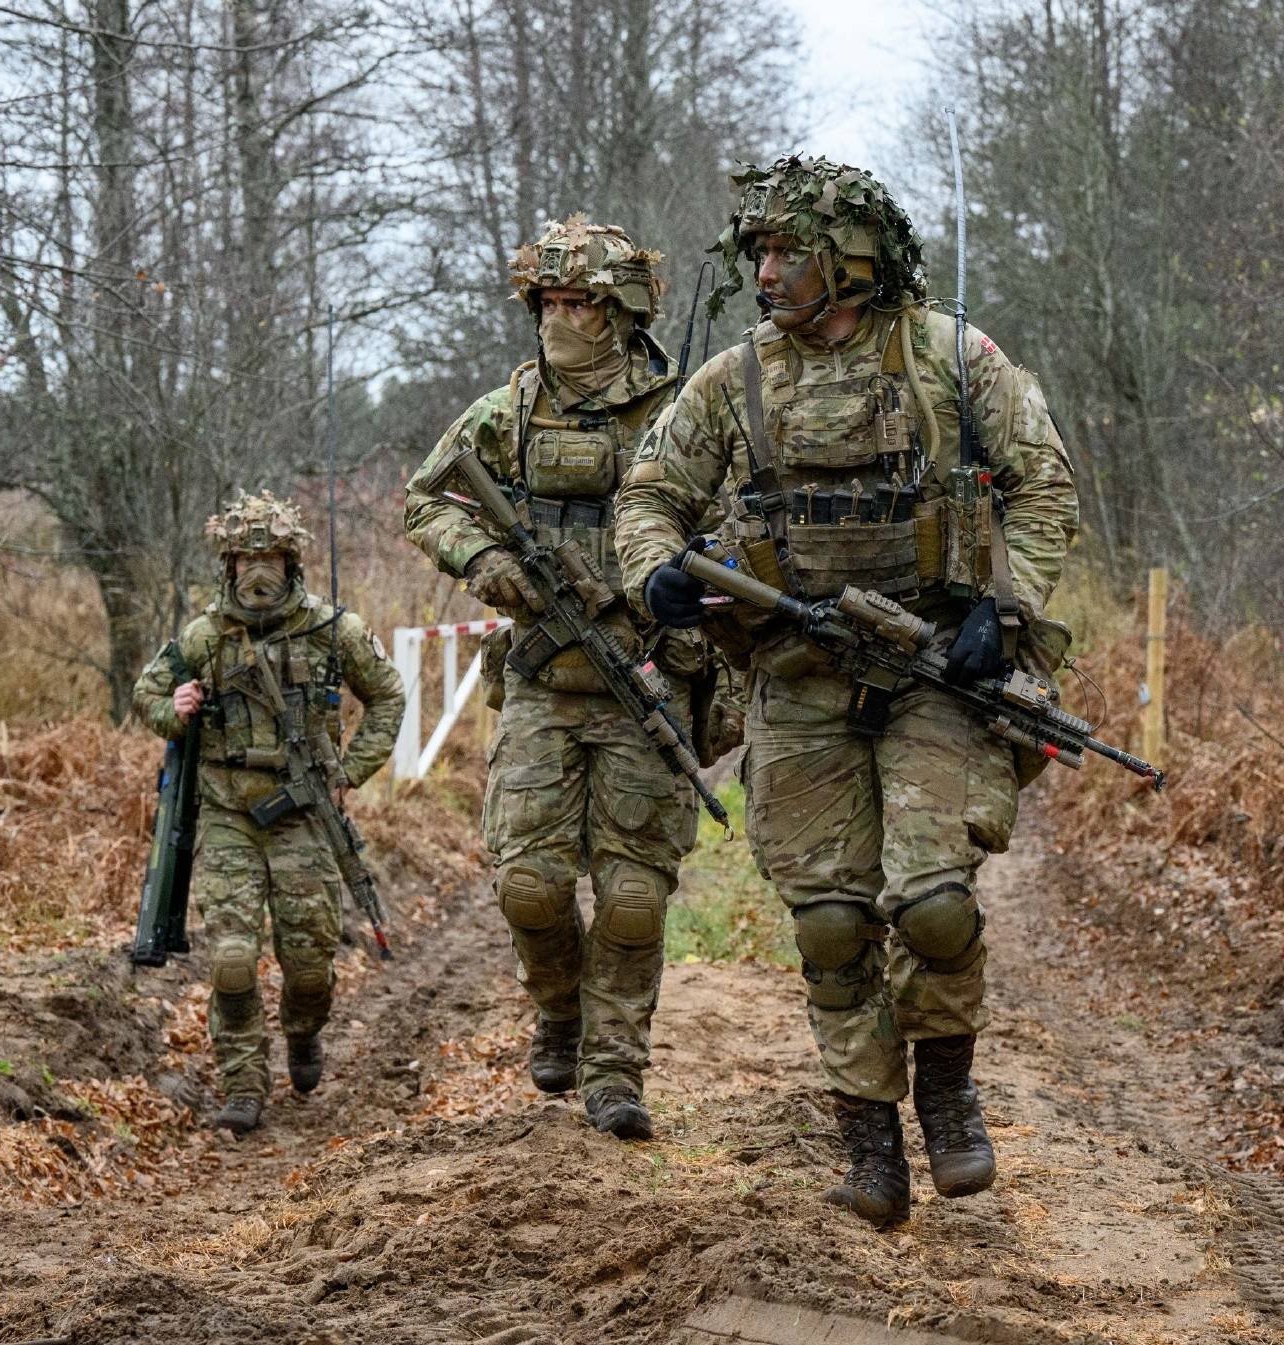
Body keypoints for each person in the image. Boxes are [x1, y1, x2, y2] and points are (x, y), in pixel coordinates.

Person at [614, 156, 1079, 1227]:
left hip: (931, 676)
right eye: (759, 255)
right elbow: (649, 495)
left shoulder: (949, 358)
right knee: (829, 924)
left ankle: (947, 1092)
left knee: (933, 902)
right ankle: (867, 1141)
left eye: (788, 254)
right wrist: (658, 571)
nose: (765, 273)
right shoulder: (731, 382)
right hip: (797, 677)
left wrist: (996, 606)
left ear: (851, 263)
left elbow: (1041, 482)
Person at [405, 216, 716, 1141]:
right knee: (530, 886)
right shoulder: (510, 409)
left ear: (621, 310)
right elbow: (427, 499)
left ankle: (615, 1070)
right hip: (544, 677)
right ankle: (560, 1008)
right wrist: (484, 563)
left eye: (580, 302)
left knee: (630, 894)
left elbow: (738, 520)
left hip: (647, 677)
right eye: (548, 301)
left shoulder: (680, 408)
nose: (561, 318)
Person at [131, 491, 404, 1134]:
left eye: (271, 557)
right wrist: (179, 708)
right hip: (228, 814)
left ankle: (304, 1031)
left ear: (292, 562)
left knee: (309, 964)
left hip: (305, 815)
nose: (259, 570)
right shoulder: (202, 637)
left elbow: (388, 696)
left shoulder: (335, 630)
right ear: (228, 565)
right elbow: (148, 694)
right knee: (230, 958)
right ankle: (243, 1084)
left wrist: (350, 772)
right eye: (247, 557)